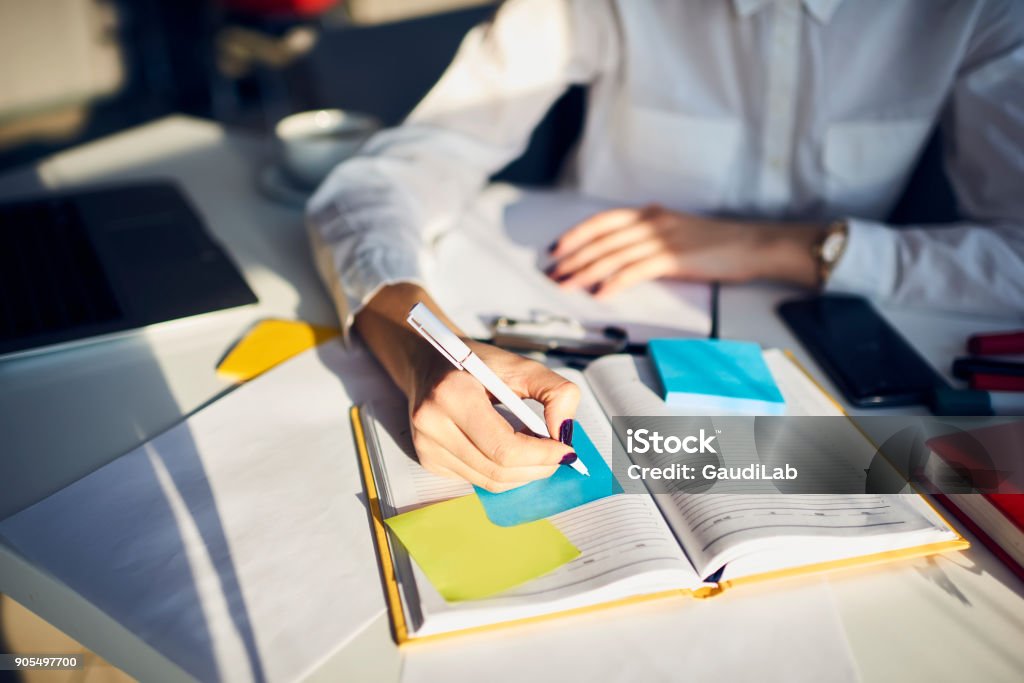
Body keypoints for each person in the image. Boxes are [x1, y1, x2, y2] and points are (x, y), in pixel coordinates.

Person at [307, 0, 1024, 491]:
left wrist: (798, 247)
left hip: (837, 388)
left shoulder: (975, 11)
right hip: (582, 326)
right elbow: (378, 183)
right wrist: (420, 344)